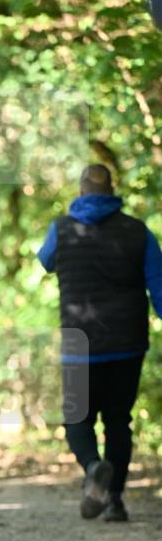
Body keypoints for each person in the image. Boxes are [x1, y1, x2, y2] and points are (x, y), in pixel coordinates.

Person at [38, 164, 162, 521]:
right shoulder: (139, 232)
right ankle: (116, 501)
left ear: (80, 191)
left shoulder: (61, 229)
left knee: (78, 419)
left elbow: (46, 261)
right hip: (128, 342)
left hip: (80, 343)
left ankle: (93, 468)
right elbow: (159, 288)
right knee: (118, 421)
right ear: (112, 190)